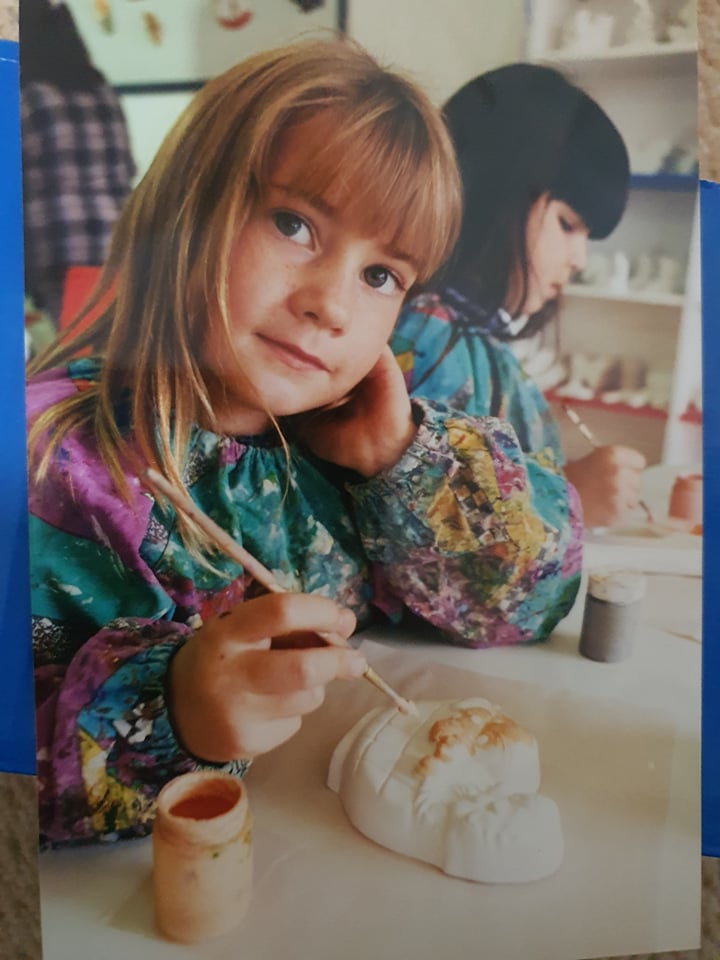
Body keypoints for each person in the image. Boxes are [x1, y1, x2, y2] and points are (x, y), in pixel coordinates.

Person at [26, 39, 582, 847]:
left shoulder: (335, 466)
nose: (332, 304)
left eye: (382, 275)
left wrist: (406, 463)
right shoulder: (53, 466)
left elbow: (527, 605)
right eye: (294, 223)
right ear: (184, 209)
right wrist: (173, 709)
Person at [391, 63, 646, 530]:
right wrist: (569, 496)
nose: (580, 260)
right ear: (493, 196)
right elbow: (424, 533)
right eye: (567, 225)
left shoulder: (465, 337)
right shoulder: (431, 346)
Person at [19, 0, 135, 327]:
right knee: (105, 348)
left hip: (61, 243)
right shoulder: (104, 95)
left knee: (77, 355)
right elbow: (126, 168)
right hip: (118, 239)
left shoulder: (28, 97)